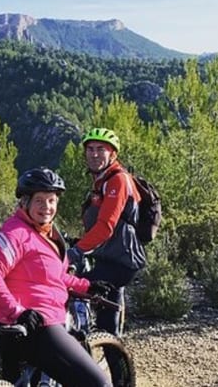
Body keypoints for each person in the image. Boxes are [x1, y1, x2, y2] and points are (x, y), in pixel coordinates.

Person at [0, 167, 115, 386]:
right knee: (99, 384)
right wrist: (17, 311)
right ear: (25, 202)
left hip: (30, 325)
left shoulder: (44, 234)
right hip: (38, 327)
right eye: (39, 201)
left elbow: (55, 277)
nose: (47, 207)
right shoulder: (16, 233)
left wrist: (86, 286)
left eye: (51, 200)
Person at [67, 127, 147, 336]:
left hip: (121, 262)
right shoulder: (101, 181)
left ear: (113, 154)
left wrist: (76, 251)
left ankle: (84, 342)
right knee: (108, 320)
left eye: (101, 149)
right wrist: (79, 242)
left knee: (75, 289)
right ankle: (112, 355)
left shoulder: (117, 180)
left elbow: (105, 226)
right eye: (90, 149)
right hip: (110, 258)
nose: (94, 154)